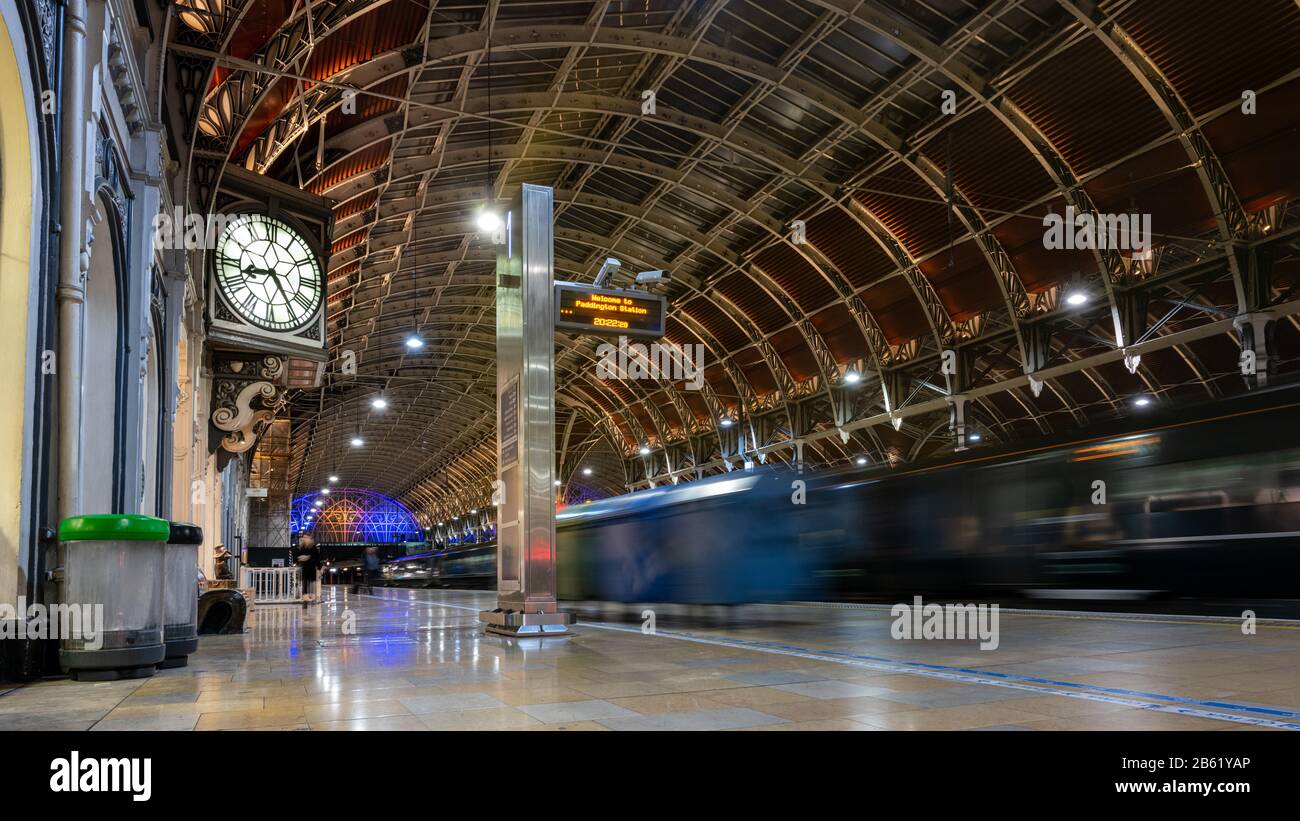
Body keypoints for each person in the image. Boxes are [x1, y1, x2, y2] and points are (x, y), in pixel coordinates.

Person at [293, 533, 322, 605]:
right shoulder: (301, 547)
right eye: (304, 537)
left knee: (312, 584)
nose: (304, 539)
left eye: (306, 537)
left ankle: (312, 598)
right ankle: (305, 599)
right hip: (305, 569)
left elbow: (317, 559)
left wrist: (319, 567)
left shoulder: (313, 548)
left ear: (310, 538)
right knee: (305, 584)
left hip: (312, 569)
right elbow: (296, 557)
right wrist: (300, 559)